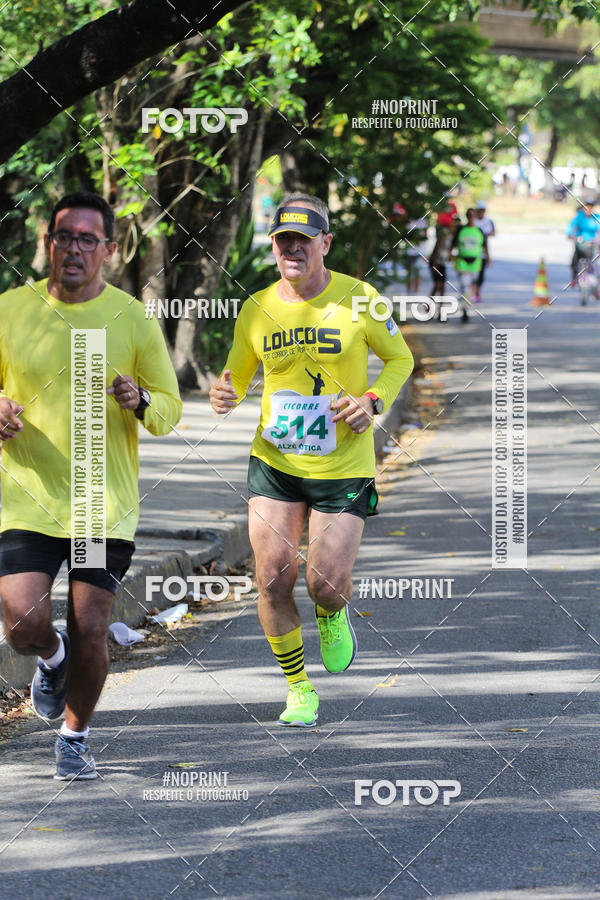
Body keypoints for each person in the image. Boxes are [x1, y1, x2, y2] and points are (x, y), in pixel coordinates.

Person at [209, 194, 413, 727]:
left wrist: (372, 402)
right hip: (275, 461)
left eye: (304, 238)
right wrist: (223, 395)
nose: (292, 248)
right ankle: (299, 689)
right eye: (283, 240)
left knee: (324, 581)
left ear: (325, 242)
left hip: (343, 464)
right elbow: (236, 373)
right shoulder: (255, 307)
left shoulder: (360, 298)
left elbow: (400, 359)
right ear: (274, 246)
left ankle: (331, 610)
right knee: (272, 576)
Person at [0, 191, 182, 779]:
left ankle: (74, 737)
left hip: (99, 507)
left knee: (92, 625)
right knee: (22, 622)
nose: (73, 248)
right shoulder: (9, 310)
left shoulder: (130, 317)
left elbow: (171, 407)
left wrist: (141, 398)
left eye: (86, 239)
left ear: (107, 249)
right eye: (63, 237)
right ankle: (50, 659)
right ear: (47, 243)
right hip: (25, 497)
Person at [451, 207, 489, 322]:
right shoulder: (461, 230)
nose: (471, 217)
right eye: (469, 215)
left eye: (473, 215)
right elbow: (453, 244)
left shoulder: (479, 230)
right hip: (462, 262)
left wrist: (488, 257)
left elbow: (485, 246)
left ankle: (467, 304)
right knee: (464, 287)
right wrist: (451, 255)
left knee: (471, 288)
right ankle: (465, 310)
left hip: (475, 263)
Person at [567, 197, 599, 286]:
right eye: (587, 206)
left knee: (595, 263)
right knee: (575, 260)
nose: (588, 209)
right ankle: (574, 278)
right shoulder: (579, 217)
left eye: (590, 206)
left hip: (592, 243)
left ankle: (596, 287)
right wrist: (570, 234)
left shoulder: (596, 217)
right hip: (580, 242)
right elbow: (571, 226)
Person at [474, 201, 495, 301]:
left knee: (481, 275)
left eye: (483, 210)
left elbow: (493, 232)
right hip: (473, 251)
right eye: (479, 210)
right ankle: (471, 293)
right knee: (473, 274)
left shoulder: (488, 221)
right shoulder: (473, 221)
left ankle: (477, 293)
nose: (481, 212)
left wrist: (484, 235)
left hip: (483, 250)